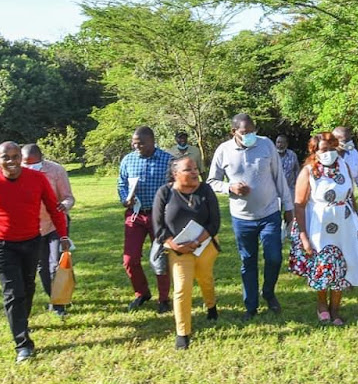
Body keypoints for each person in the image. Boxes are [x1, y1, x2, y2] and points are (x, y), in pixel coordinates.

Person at [0, 142, 70, 362]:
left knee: (28, 287)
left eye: (15, 157)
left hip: (31, 240)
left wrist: (63, 234)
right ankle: (23, 344)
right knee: (13, 291)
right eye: (6, 157)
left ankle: (22, 320)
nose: (11, 161)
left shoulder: (37, 179)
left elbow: (53, 207)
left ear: (20, 158)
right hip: (0, 244)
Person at [207, 113, 293, 320]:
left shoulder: (266, 145)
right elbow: (211, 181)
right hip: (242, 217)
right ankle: (251, 305)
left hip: (270, 212)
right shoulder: (224, 151)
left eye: (253, 131)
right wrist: (230, 187)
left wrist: (288, 206)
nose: (249, 136)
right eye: (245, 132)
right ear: (233, 132)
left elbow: (278, 177)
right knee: (248, 261)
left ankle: (269, 292)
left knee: (274, 257)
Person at [289, 132, 358, 325]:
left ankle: (335, 308)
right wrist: (304, 236)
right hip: (320, 226)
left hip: (345, 225)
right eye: (324, 149)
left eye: (332, 149)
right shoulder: (308, 171)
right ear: (315, 151)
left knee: (342, 265)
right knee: (324, 265)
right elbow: (299, 204)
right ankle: (322, 304)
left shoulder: (344, 166)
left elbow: (350, 196)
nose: (329, 153)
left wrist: (356, 220)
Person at [153, 156, 221, 349]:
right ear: (175, 174)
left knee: (205, 278)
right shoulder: (164, 193)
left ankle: (211, 306)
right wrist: (175, 245)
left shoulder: (206, 190)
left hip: (205, 245)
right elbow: (158, 226)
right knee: (182, 288)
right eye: (188, 169)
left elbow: (214, 222)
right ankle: (183, 333)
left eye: (195, 169)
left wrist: (197, 241)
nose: (194, 172)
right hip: (177, 249)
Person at [117, 126, 173, 313]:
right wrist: (126, 198)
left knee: (160, 259)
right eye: (134, 142)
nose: (137, 146)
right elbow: (121, 183)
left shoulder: (167, 160)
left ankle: (164, 299)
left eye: (141, 143)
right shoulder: (128, 159)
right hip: (135, 215)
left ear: (152, 141)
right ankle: (141, 293)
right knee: (129, 259)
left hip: (160, 216)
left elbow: (176, 186)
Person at [21, 144, 75, 317]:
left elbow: (68, 197)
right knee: (42, 267)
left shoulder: (56, 171)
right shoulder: (17, 173)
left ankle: (58, 304)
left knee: (55, 265)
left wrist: (63, 205)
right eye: (25, 163)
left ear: (41, 159)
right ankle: (53, 296)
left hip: (55, 223)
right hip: (33, 227)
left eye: (33, 163)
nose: (28, 167)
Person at [332, 126, 358, 213]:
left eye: (350, 139)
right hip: (331, 202)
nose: (349, 143)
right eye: (345, 140)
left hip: (349, 199)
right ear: (335, 140)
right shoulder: (328, 157)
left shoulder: (353, 154)